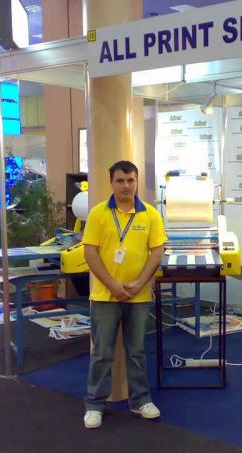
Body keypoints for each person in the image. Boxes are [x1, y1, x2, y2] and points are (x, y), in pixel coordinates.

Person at [82, 160, 167, 429]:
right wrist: (112, 285)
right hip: (104, 296)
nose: (126, 186)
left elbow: (157, 251)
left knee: (137, 351)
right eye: (120, 180)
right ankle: (95, 404)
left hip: (138, 296)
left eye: (131, 180)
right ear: (111, 183)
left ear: (136, 182)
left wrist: (140, 283)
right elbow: (90, 252)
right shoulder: (98, 214)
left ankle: (141, 400)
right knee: (102, 353)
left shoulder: (151, 215)